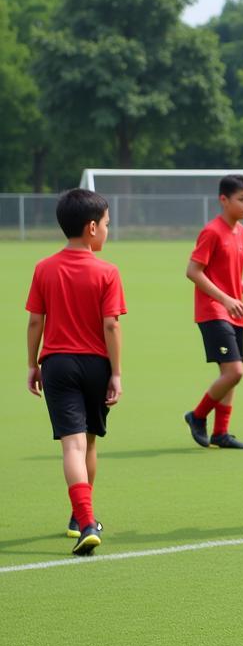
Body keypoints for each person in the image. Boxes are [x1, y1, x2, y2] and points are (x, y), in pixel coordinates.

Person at [25, 189, 127, 556]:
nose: (107, 231)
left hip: (58, 364)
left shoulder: (44, 268)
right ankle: (82, 519)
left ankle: (82, 519)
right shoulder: (107, 271)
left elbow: (36, 320)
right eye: (106, 225)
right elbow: (111, 326)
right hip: (96, 365)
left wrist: (32, 364)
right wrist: (116, 373)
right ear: (91, 227)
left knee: (72, 444)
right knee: (90, 442)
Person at [183, 174, 243, 450]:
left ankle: (221, 433)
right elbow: (193, 271)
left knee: (230, 373)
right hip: (213, 311)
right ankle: (197, 416)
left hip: (234, 310)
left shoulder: (242, 233)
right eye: (242, 199)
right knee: (235, 371)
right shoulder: (212, 231)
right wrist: (225, 299)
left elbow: (230, 277)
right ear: (223, 200)